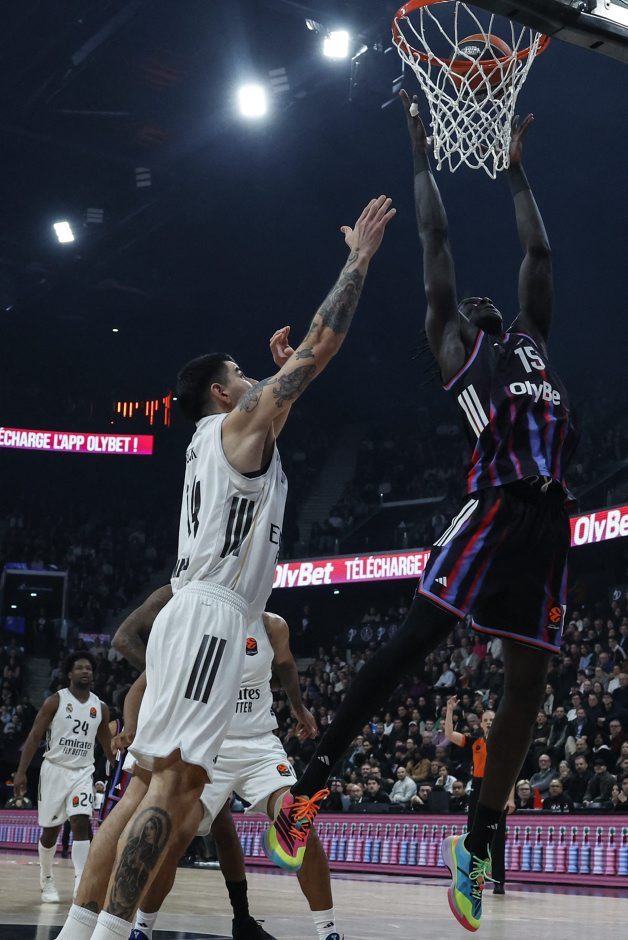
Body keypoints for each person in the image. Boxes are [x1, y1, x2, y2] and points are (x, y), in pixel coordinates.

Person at [265, 92, 577, 934]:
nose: (479, 299)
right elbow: (436, 241)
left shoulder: (531, 340)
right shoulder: (457, 345)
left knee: (527, 687)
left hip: (551, 524)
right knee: (412, 643)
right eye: (467, 300)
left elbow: (539, 250)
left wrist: (515, 173)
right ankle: (309, 787)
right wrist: (422, 155)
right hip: (493, 508)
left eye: (484, 301)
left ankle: (476, 840)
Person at [80, 196, 394, 940]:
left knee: (144, 790)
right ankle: (115, 934)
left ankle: (83, 930)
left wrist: (279, 388)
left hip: (194, 610)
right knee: (174, 790)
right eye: (245, 374)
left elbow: (278, 408)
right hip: (212, 615)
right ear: (223, 394)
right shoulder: (232, 426)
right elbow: (322, 346)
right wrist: (358, 261)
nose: (258, 379)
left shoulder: (210, 440)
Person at [57, 589, 345, 940]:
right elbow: (139, 688)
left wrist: (299, 708)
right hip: (210, 745)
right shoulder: (199, 624)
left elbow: (285, 664)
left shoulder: (272, 626)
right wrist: (131, 727)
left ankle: (328, 932)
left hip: (259, 745)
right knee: (173, 836)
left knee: (297, 823)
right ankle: (142, 930)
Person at [13, 652, 112, 902]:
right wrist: (21, 772)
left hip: (83, 771)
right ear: (69, 673)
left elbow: (105, 739)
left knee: (80, 822)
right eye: (79, 667)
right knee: (50, 832)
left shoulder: (100, 707)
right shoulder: (55, 701)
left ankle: (81, 883)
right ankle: (46, 879)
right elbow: (34, 736)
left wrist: (115, 762)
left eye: (88, 668)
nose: (85, 671)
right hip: (55, 770)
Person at [443, 698, 513, 894]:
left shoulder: (505, 744)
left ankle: (499, 881)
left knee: (497, 837)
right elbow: (449, 734)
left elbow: (510, 772)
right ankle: (473, 877)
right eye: (486, 720)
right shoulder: (475, 742)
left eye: (492, 720)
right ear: (481, 724)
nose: (489, 723)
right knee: (473, 835)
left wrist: (510, 798)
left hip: (498, 786)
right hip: (478, 786)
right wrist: (449, 710)